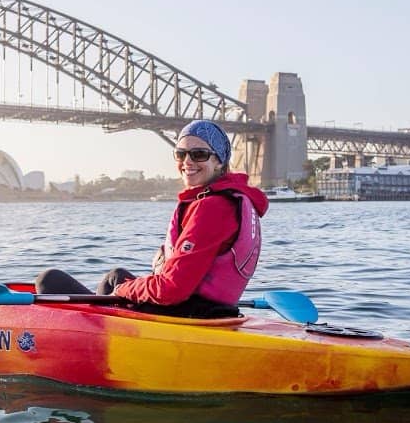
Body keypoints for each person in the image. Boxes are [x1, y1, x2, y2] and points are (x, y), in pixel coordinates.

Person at [35, 119, 270, 318]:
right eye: (181, 154)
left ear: (219, 161)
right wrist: (126, 285)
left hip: (189, 315)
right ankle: (96, 327)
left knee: (50, 281)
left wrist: (125, 289)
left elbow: (172, 290)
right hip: (208, 310)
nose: (187, 162)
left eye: (199, 155)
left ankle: (84, 342)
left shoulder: (213, 207)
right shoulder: (229, 200)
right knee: (115, 277)